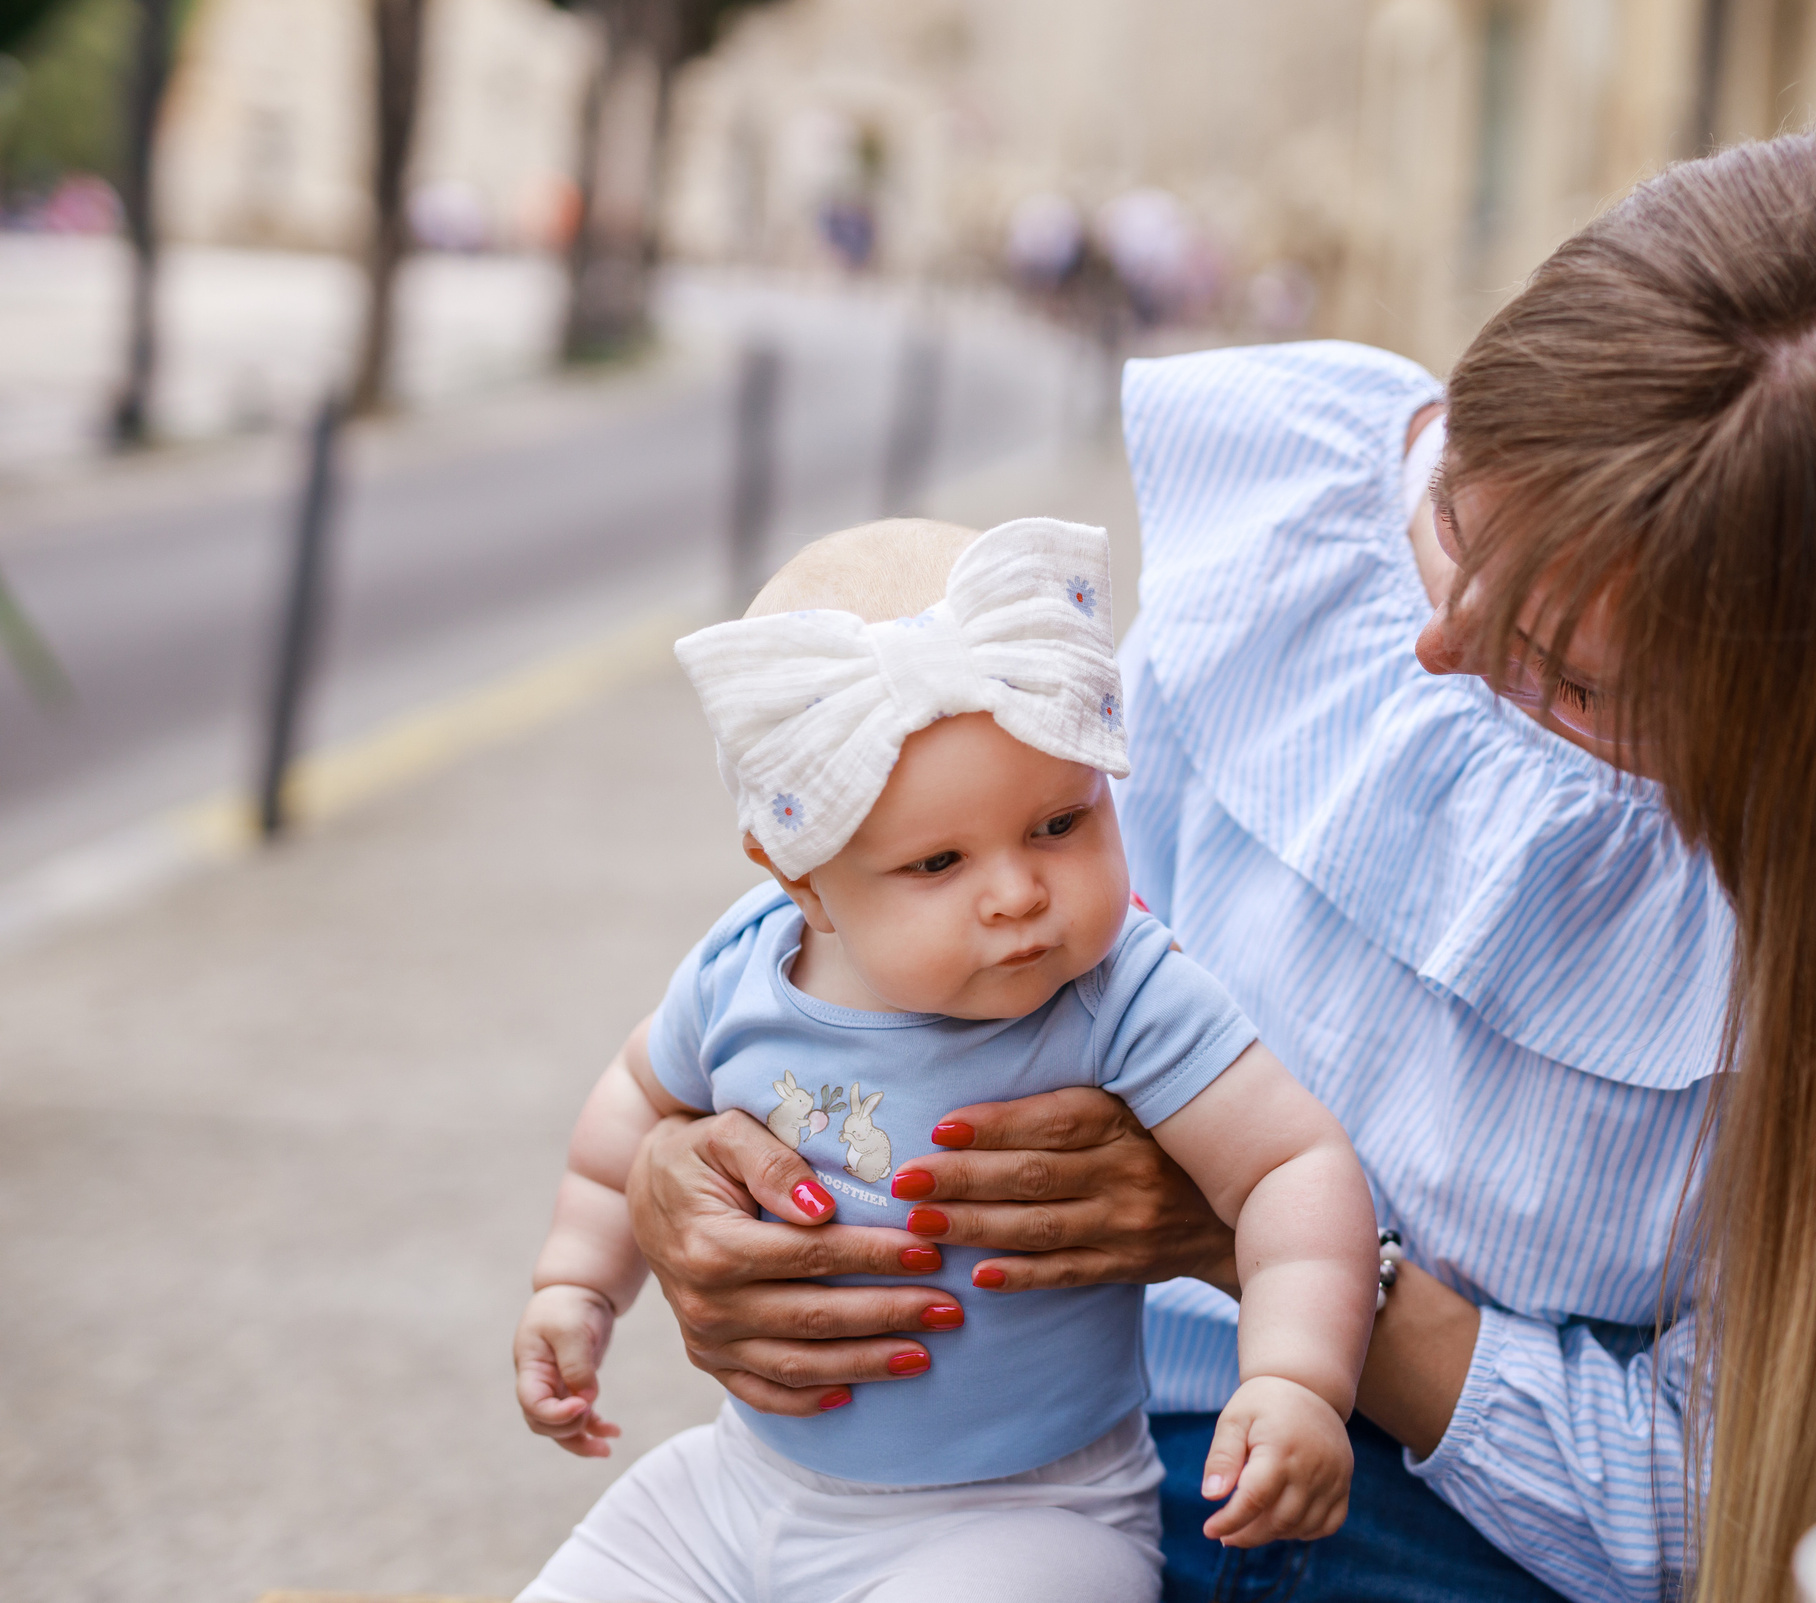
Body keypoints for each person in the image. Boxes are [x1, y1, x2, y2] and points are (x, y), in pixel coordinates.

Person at [616, 136, 1816, 1603]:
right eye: (1452, 518)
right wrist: (701, 1165)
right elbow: (922, 924)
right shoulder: (1321, 565)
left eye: (1567, 677)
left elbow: (1722, 1512)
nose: (1435, 650)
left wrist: (1273, 1250)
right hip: (1020, 1475)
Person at [510, 518, 1377, 1602]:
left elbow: (1291, 1165)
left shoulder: (1121, 992)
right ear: (803, 880)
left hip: (1028, 1512)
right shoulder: (742, 967)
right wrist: (577, 1284)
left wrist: (1297, 1378)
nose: (1017, 893)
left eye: (1060, 823)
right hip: (740, 1485)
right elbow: (635, 1107)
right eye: (938, 862)